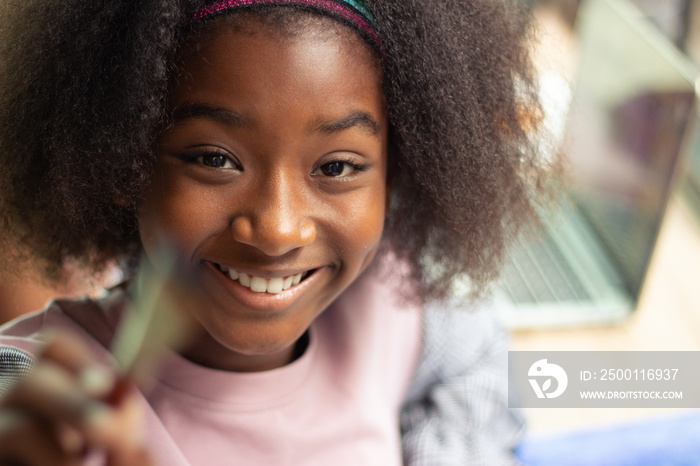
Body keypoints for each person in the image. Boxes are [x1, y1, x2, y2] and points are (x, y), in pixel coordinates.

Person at [0, 0, 554, 464]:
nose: (276, 228)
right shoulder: (50, 385)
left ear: (398, 172)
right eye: (215, 159)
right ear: (122, 163)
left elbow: (482, 367)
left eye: (336, 167)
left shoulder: (388, 305)